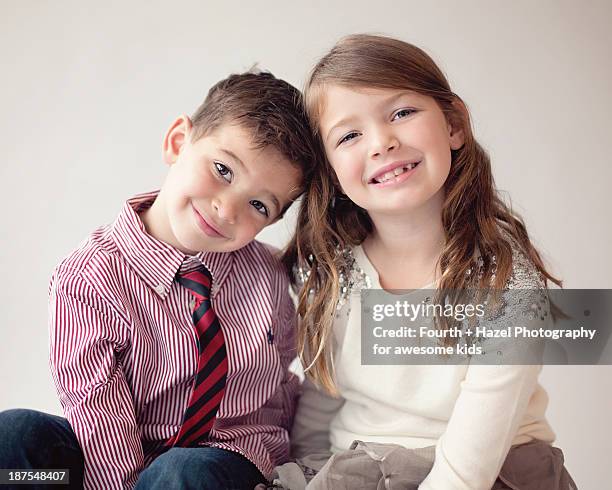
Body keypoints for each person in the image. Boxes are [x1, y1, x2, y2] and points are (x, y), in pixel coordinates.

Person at [282, 35, 577, 489]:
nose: (382, 142)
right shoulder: (337, 277)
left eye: (402, 113)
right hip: (357, 472)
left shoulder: (506, 281)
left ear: (454, 125)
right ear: (332, 172)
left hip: (487, 473)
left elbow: (470, 462)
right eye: (350, 135)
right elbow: (319, 413)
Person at [0, 70, 319, 489]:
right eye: (223, 169)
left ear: (273, 219)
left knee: (182, 472)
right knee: (15, 437)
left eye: (258, 204)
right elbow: (97, 412)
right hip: (114, 462)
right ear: (177, 142)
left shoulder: (268, 276)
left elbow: (284, 380)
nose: (227, 209)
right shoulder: (88, 279)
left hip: (225, 461)